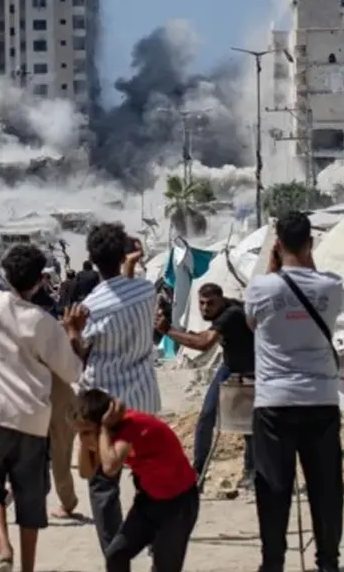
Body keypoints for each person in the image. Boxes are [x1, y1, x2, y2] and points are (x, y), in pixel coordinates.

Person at [0, 244, 89, 572]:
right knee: (30, 501)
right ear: (40, 281)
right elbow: (72, 372)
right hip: (31, 419)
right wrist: (73, 334)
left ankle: (3, 548)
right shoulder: (44, 323)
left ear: (4, 275)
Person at [244, 211, 344, 572]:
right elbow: (317, 287)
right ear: (310, 243)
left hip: (275, 400)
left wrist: (276, 268)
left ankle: (272, 563)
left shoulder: (260, 287)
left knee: (273, 489)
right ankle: (328, 562)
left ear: (277, 245)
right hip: (321, 398)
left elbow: (252, 323)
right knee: (326, 489)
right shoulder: (332, 286)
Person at [75, 223, 157, 553]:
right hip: (143, 398)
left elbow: (79, 356)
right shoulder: (147, 292)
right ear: (124, 255)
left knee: (103, 484)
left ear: (92, 259)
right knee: (146, 477)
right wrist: (131, 264)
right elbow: (128, 289)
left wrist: (72, 332)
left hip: (104, 404)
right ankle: (152, 539)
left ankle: (114, 553)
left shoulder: (91, 307)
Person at [73, 389, 199, 572]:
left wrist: (104, 429)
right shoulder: (107, 434)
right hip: (149, 501)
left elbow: (110, 467)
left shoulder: (130, 426)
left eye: (86, 432)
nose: (82, 438)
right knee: (116, 555)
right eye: (79, 433)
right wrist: (86, 441)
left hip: (178, 504)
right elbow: (87, 473)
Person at [157, 282, 256, 486]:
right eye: (201, 303)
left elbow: (204, 343)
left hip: (251, 371)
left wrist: (168, 330)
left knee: (248, 423)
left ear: (221, 300)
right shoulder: (225, 312)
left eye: (210, 303)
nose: (205, 308)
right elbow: (202, 337)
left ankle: (251, 471)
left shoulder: (231, 314)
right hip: (230, 368)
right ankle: (198, 471)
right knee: (207, 416)